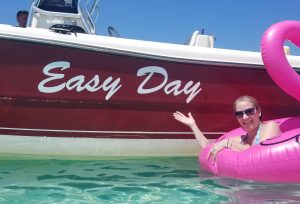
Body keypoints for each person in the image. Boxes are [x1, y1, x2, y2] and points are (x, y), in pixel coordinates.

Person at [173, 95, 281, 162]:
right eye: (239, 114)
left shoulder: (270, 127)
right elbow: (208, 147)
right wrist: (193, 125)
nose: (245, 117)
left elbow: (261, 154)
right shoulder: (241, 139)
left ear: (259, 111)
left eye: (249, 111)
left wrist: (228, 143)